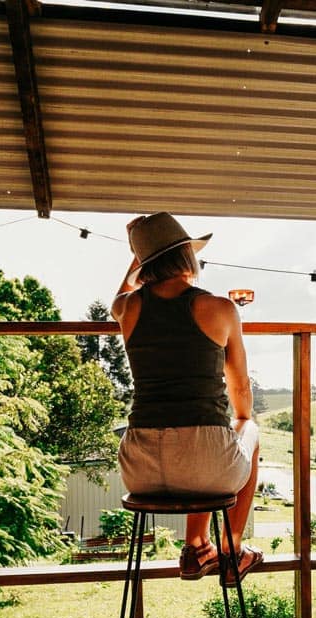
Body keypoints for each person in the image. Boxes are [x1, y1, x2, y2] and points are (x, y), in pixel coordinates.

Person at [112, 212, 263, 584]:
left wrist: (139, 251)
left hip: (139, 469)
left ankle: (197, 545)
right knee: (247, 430)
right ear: (186, 256)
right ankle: (232, 551)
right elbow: (239, 386)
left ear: (145, 264)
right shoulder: (219, 308)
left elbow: (121, 294)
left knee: (217, 448)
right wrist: (242, 421)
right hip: (204, 463)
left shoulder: (128, 310)